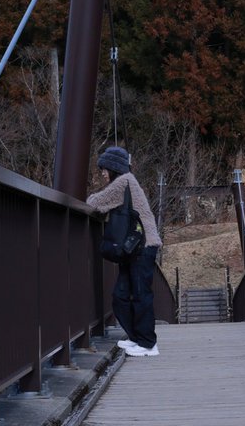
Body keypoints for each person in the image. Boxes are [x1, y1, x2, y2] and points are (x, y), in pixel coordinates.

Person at [86, 145, 163, 357]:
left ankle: (148, 344)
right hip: (135, 248)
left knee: (140, 295)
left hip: (141, 247)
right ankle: (138, 338)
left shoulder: (123, 181)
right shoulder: (127, 182)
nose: (102, 173)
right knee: (121, 295)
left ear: (113, 168)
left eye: (104, 169)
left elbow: (95, 202)